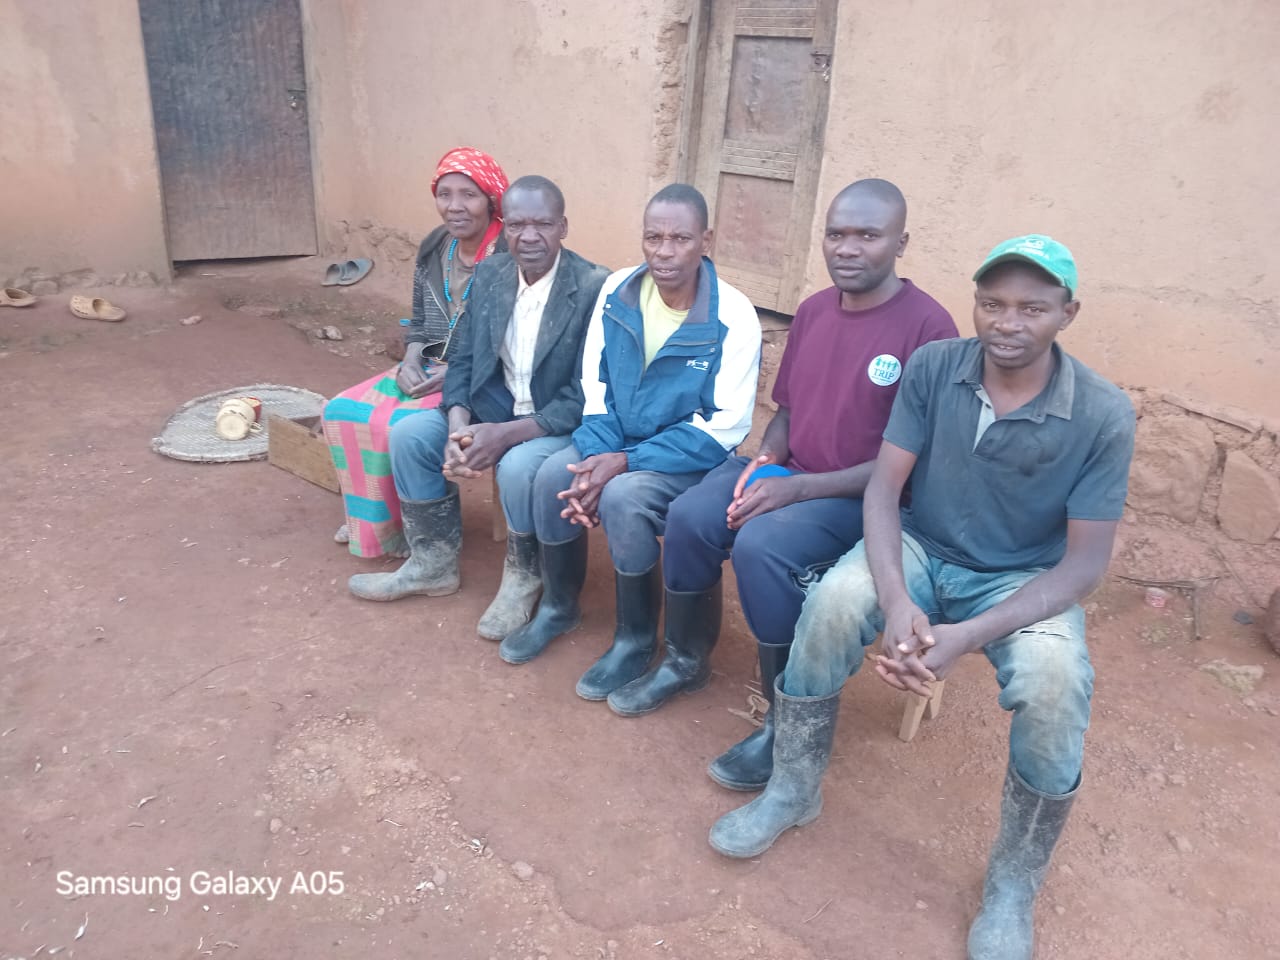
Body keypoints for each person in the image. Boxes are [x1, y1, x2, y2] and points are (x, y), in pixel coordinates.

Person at [708, 236, 1136, 960]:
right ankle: (792, 788)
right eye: (992, 303)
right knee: (832, 605)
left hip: (1022, 576)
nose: (1007, 322)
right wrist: (899, 598)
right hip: (922, 543)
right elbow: (884, 489)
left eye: (1031, 308)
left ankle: (1012, 884)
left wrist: (966, 635)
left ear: (1068, 313)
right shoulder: (937, 367)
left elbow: (1085, 564)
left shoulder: (1102, 412)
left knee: (1055, 683)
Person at [613, 179, 956, 741]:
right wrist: (769, 458)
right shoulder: (815, 311)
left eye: (868, 236)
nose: (848, 249)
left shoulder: (929, 329)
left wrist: (798, 489)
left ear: (901, 243)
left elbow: (916, 461)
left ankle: (784, 713)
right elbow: (788, 410)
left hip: (868, 497)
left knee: (762, 545)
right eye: (836, 235)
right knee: (691, 516)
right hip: (793, 475)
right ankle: (685, 659)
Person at [497, 184, 762, 698]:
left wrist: (623, 462)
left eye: (680, 239)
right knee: (552, 476)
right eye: (653, 238)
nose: (664, 252)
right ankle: (559, 606)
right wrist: (599, 456)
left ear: (706, 240)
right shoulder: (619, 290)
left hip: (687, 457)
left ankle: (635, 636)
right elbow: (595, 386)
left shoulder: (733, 314)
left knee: (623, 496)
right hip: (616, 441)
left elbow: (724, 426)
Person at [346, 176, 609, 634]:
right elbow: (464, 358)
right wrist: (458, 424)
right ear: (505, 227)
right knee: (410, 436)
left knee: (516, 467)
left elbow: (588, 392)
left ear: (563, 227)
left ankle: (524, 576)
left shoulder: (593, 287)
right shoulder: (492, 274)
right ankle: (432, 564)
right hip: (495, 407)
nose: (529, 237)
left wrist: (505, 435)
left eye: (543, 225)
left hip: (554, 421)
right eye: (518, 225)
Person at [322, 147, 509, 559]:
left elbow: (515, 341)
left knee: (398, 425)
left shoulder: (509, 256)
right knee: (340, 410)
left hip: (484, 378)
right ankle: (374, 519)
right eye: (445, 194)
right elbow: (420, 320)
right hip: (429, 364)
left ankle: (414, 524)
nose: (455, 206)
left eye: (469, 195)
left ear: (491, 199)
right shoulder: (435, 246)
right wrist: (410, 358)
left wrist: (457, 372)